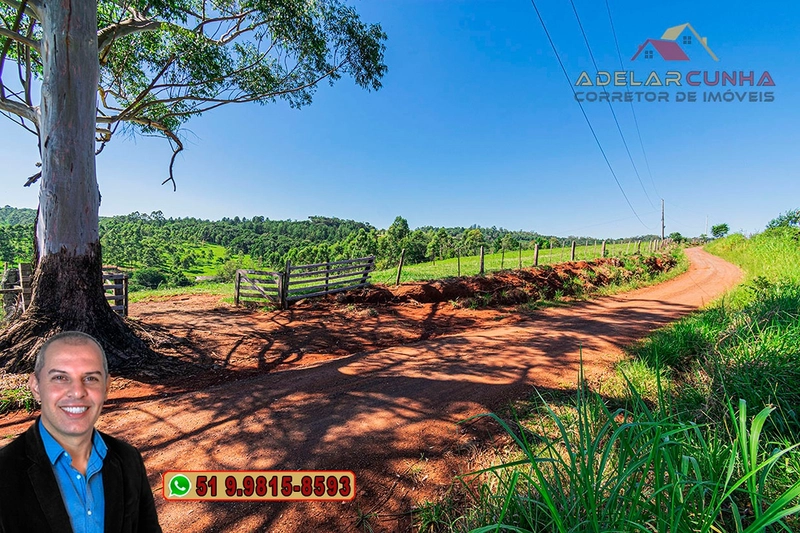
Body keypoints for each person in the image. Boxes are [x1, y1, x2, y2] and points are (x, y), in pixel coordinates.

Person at [0, 331, 162, 533]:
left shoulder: (128, 460)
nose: (77, 392)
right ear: (36, 386)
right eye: (60, 377)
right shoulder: (4, 472)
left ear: (106, 387)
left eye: (91, 378)